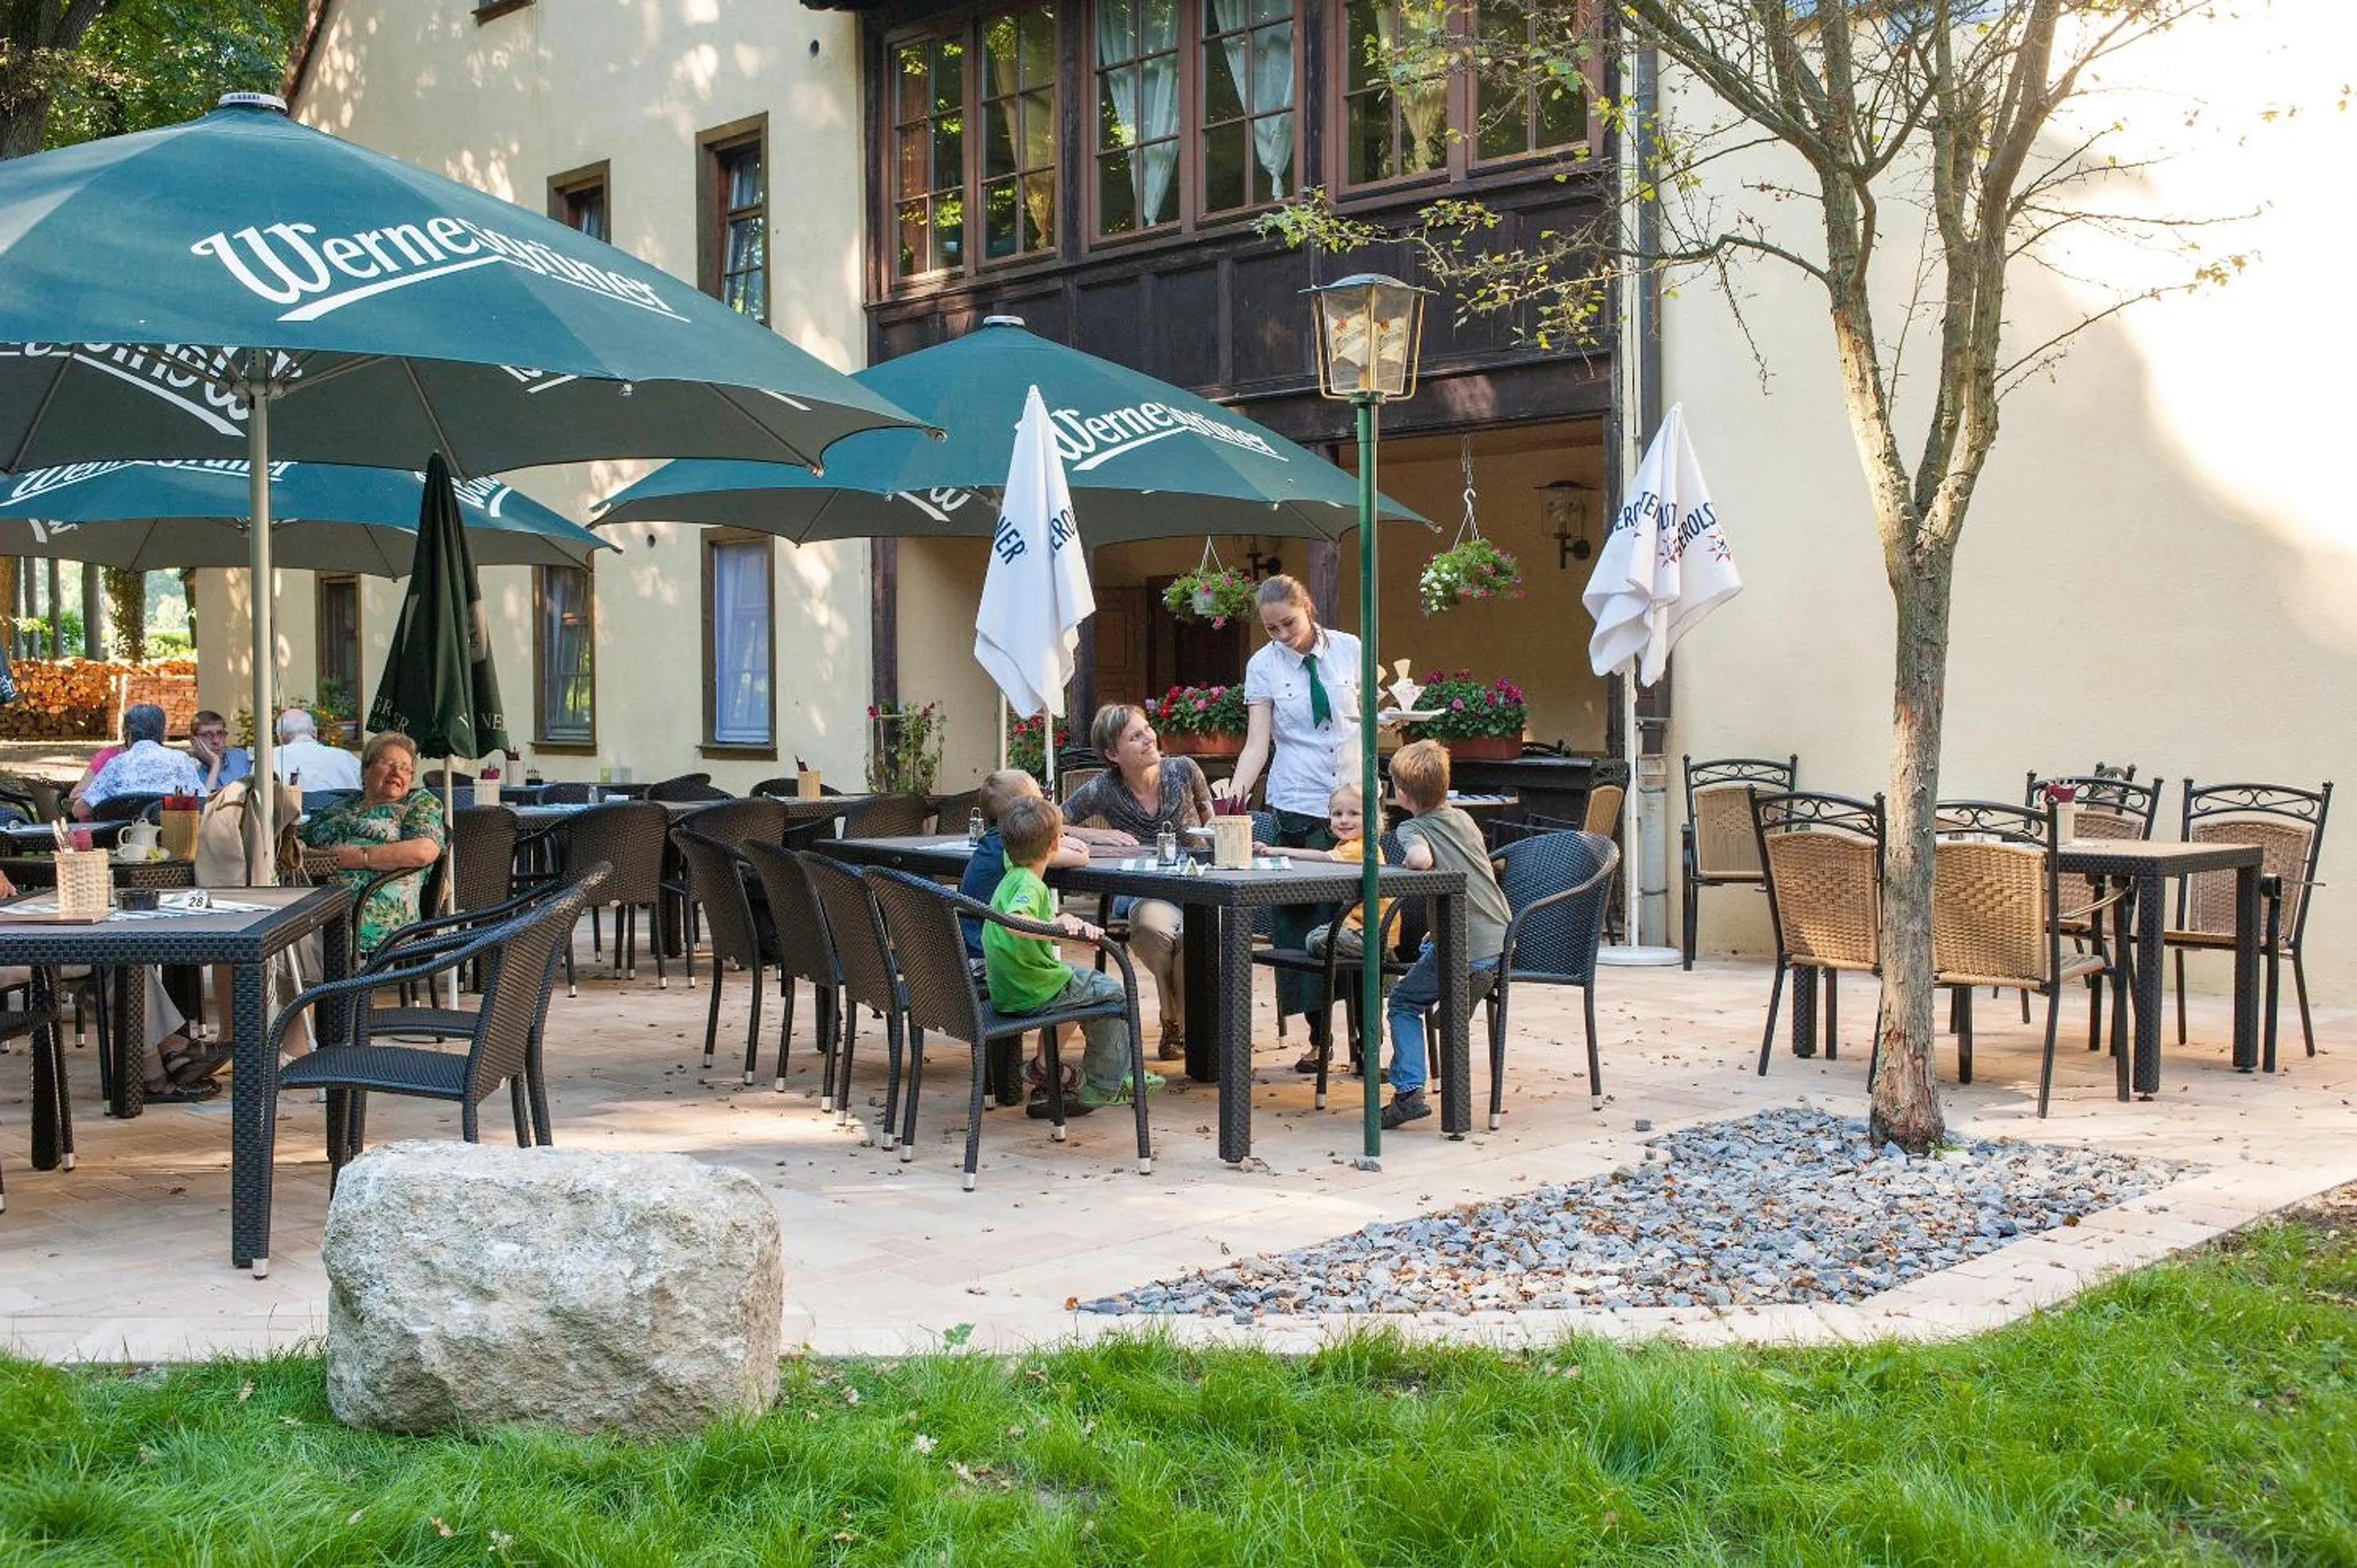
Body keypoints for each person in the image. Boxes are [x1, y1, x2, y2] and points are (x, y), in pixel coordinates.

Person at [1227, 573, 1362, 1060]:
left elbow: (1373, 719)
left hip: (1353, 801)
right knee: (1302, 923)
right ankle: (1318, 1038)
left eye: (1288, 623)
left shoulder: (1351, 649)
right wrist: (1234, 805)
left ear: (1308, 607)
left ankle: (1368, 1042)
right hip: (1297, 800)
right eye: (1271, 629)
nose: (1282, 635)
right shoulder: (1262, 666)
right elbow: (1257, 742)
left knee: (1360, 921)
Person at [983, 793, 1161, 1112]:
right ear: (1055, 844)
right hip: (1033, 989)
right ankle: (1104, 1085)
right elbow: (1016, 921)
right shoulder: (1029, 885)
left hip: (1012, 987)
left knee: (1087, 989)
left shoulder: (1013, 867)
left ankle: (1063, 1069)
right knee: (1112, 994)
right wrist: (1060, 925)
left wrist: (1062, 925)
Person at [1058, 703, 1215, 1060]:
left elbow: (1213, 824)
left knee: (1195, 936)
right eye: (1135, 736)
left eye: (1147, 729)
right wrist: (1097, 835)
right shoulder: (1104, 787)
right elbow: (1051, 820)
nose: (1149, 738)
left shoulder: (1183, 770)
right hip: (1143, 890)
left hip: (1195, 884)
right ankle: (1177, 1020)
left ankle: (1173, 1019)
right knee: (1150, 928)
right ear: (1113, 754)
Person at [1377, 741, 1512, 1130]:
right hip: (1500, 936)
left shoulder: (1412, 826)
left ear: (1400, 793)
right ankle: (1466, 986)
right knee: (1434, 955)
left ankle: (1409, 1091)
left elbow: (1422, 860)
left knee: (1402, 1002)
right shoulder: (1464, 820)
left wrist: (1409, 859)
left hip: (1462, 943)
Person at [297, 732, 444, 958]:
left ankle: (325, 987)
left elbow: (424, 850)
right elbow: (301, 838)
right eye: (390, 764)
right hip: (319, 896)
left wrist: (352, 858)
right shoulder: (345, 805)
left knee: (294, 928)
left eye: (405, 768)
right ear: (365, 770)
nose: (397, 773)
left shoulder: (419, 803)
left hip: (371, 906)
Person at [1287, 781, 1392, 1073]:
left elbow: (1323, 858)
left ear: (1372, 818)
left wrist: (1277, 851)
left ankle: (1364, 1051)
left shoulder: (1360, 848)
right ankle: (1365, 1052)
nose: (1343, 820)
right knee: (1324, 939)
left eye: (1353, 814)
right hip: (1361, 930)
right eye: (1337, 814)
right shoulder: (1348, 845)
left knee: (1317, 939)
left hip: (1369, 934)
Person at [73, 702, 204, 819]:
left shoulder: (116, 763)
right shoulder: (181, 760)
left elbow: (80, 810)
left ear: (128, 734)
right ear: (162, 733)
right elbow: (203, 802)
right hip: (170, 839)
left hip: (123, 839)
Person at [271, 707, 363, 792]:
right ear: (315, 732)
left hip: (293, 807)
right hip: (344, 808)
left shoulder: (269, 759)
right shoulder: (346, 759)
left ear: (280, 737)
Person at [187, 709, 252, 795]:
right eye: (207, 735)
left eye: (220, 733)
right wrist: (215, 764)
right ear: (193, 740)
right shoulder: (189, 769)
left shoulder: (240, 757)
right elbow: (203, 806)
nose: (216, 741)